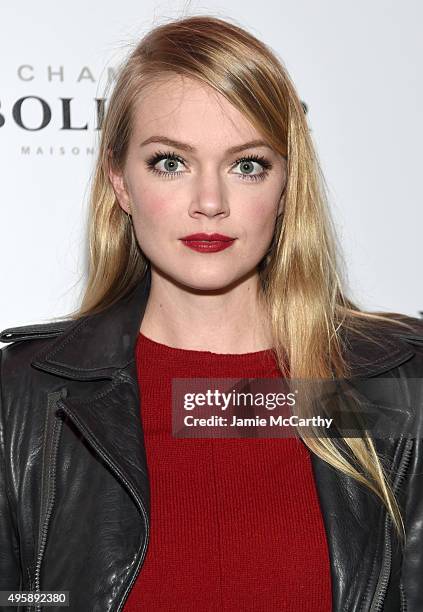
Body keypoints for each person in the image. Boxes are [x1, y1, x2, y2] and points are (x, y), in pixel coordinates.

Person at [0, 14, 422, 612]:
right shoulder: (25, 398)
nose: (210, 203)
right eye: (170, 162)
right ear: (119, 181)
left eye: (247, 164)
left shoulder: (395, 384)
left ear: (285, 186)